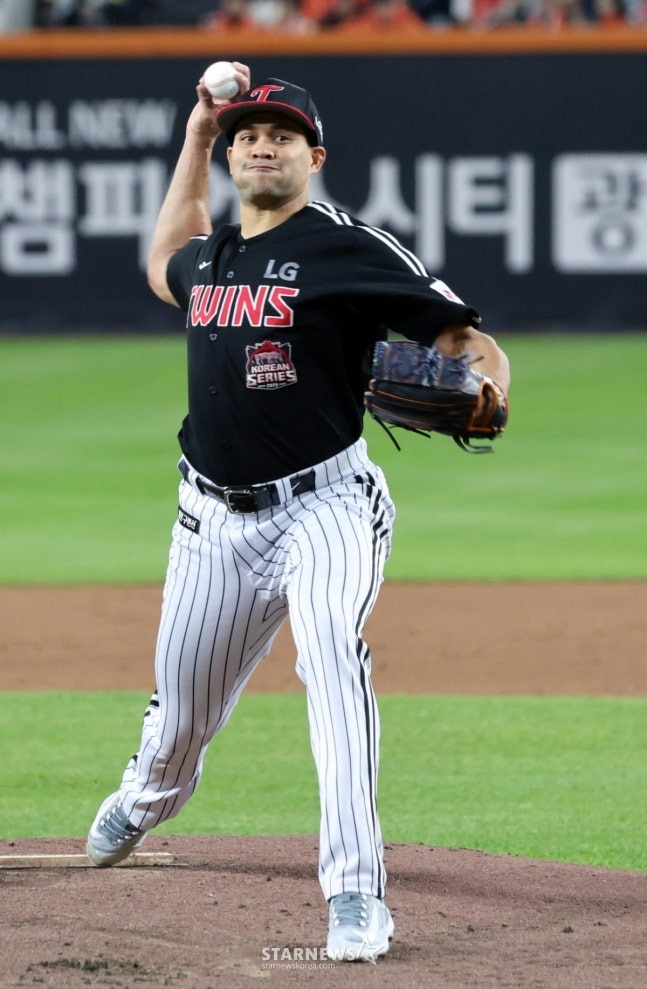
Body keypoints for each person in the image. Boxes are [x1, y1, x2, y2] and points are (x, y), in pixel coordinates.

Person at [86, 64, 510, 963]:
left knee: (330, 658)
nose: (261, 146)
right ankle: (148, 794)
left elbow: (461, 336)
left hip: (327, 506)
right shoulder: (211, 257)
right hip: (210, 521)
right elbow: (164, 261)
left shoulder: (347, 247)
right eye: (246, 135)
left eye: (281, 135)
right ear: (230, 155)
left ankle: (355, 891)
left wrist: (488, 384)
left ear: (313, 156)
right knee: (181, 717)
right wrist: (195, 135)